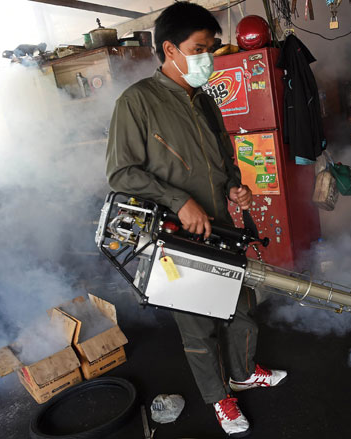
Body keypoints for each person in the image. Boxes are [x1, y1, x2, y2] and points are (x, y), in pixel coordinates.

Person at [105, 2, 286, 437]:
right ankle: (219, 397)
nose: (208, 57)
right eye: (200, 48)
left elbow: (223, 157)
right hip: (178, 232)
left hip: (223, 223)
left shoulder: (204, 98)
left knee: (242, 305)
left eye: (212, 48)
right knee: (198, 320)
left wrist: (234, 186)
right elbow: (121, 173)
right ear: (170, 48)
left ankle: (243, 372)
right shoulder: (137, 103)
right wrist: (178, 199)